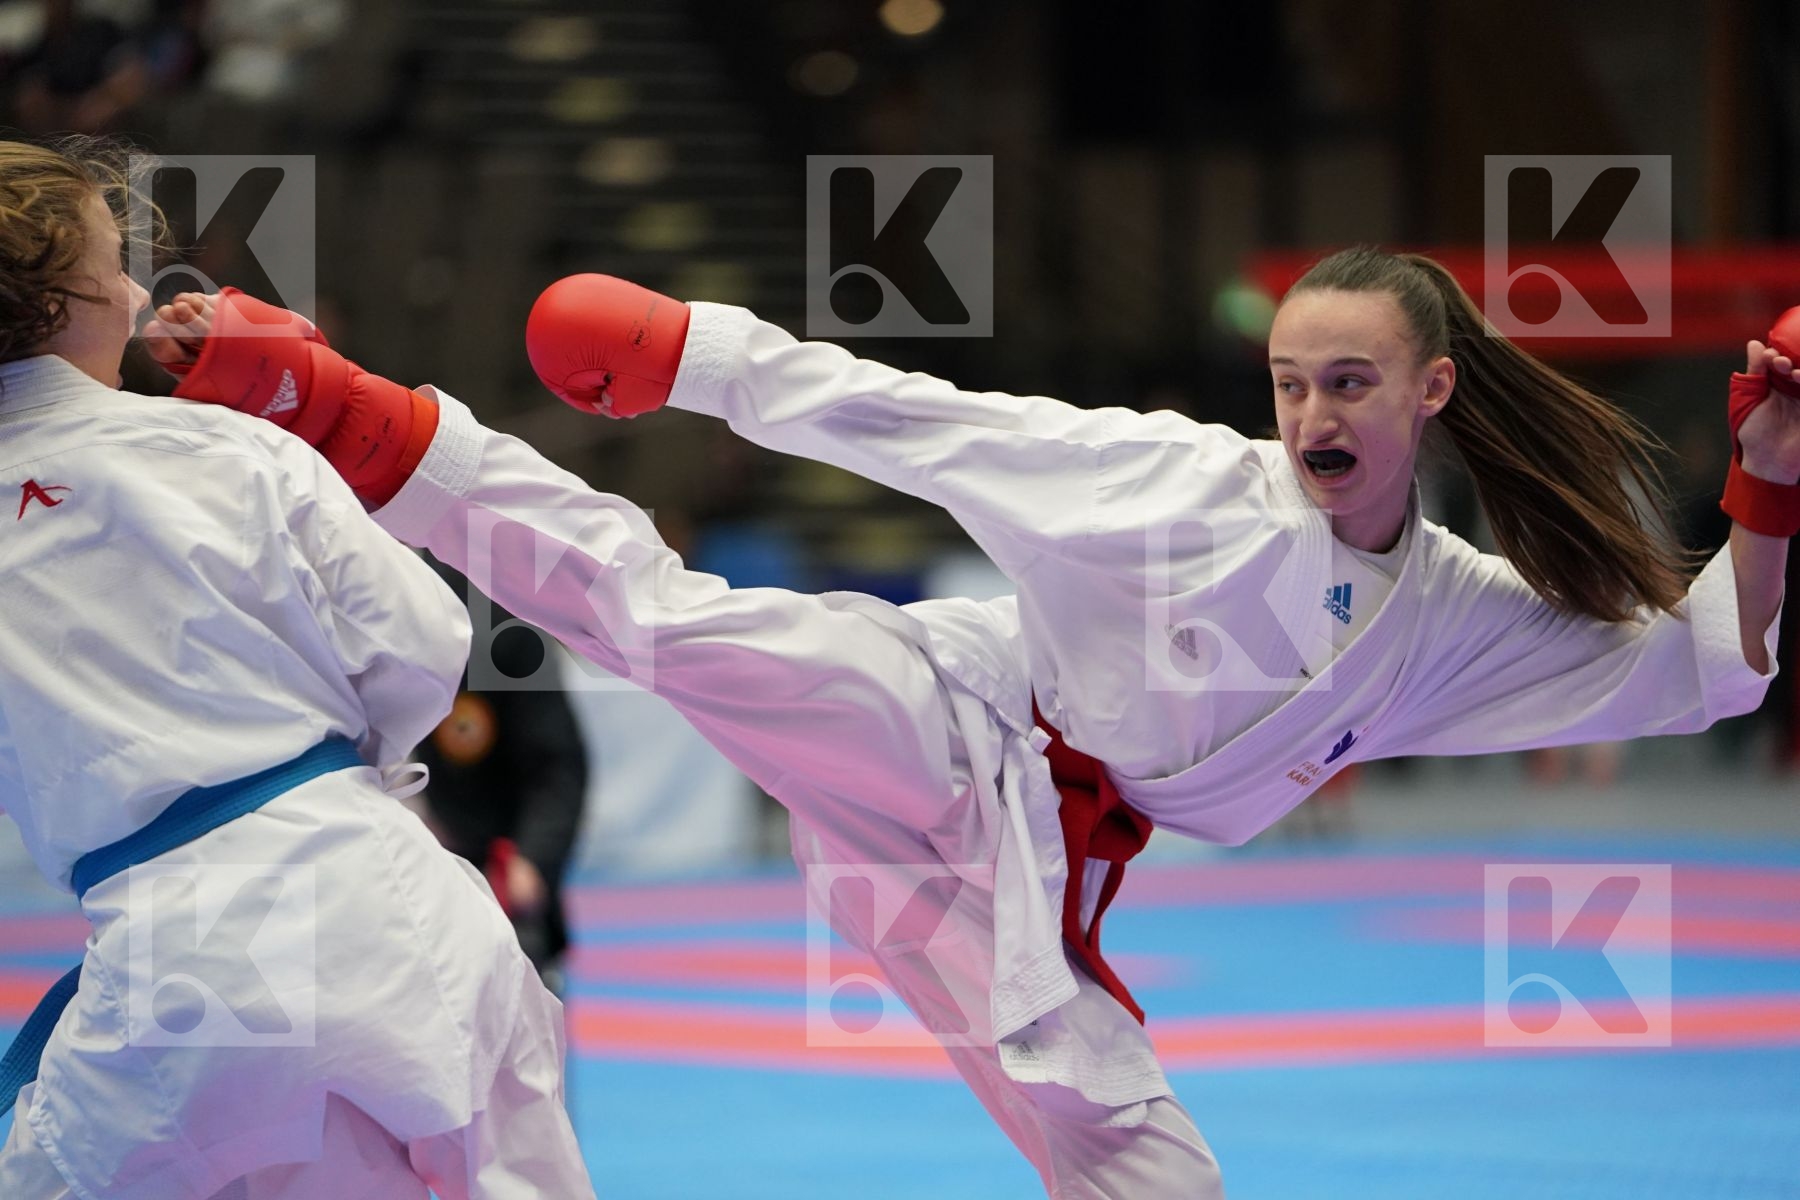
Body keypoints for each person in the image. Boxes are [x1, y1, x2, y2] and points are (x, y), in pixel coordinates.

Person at [158, 244, 1795, 1196]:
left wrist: (1768, 483)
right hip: (949, 719)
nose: (1309, 415)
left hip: (1016, 882)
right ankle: (353, 409)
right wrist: (692, 355)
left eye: (1350, 384)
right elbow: (914, 420)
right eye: (1292, 381)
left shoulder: (1454, 620)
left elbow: (1716, 659)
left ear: (1432, 391)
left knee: (1137, 1160)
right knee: (673, 627)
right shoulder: (1172, 487)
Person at [0, 136, 593, 1200]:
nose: (139, 291)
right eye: (115, 262)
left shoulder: (211, 449)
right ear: (56, 297)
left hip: (180, 960)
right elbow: (421, 645)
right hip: (390, 899)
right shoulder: (230, 451)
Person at [415, 554, 589, 994]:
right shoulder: (348, 611)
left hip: (495, 861)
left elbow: (557, 763)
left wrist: (532, 858)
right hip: (404, 867)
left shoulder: (494, 621)